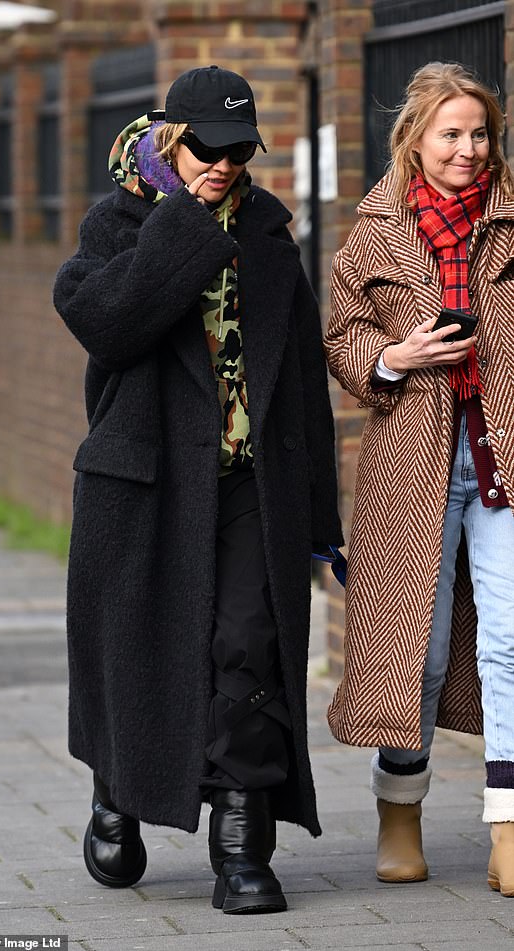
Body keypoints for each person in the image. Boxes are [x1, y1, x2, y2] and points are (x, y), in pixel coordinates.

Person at [52, 64, 343, 914]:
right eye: (206, 148)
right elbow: (109, 324)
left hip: (251, 480)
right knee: (139, 654)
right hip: (142, 482)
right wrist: (181, 225)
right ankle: (119, 787)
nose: (223, 164)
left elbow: (300, 385)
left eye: (239, 148)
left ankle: (243, 846)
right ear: (171, 141)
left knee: (247, 647)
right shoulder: (115, 225)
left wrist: (319, 518)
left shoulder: (269, 234)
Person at [325, 61, 514, 897]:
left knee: (510, 642)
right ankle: (399, 811)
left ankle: (507, 824)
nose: (469, 149)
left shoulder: (511, 224)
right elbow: (342, 338)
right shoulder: (374, 233)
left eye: (481, 134)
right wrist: (394, 358)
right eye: (452, 134)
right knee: (422, 650)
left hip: (503, 457)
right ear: (416, 139)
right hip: (415, 462)